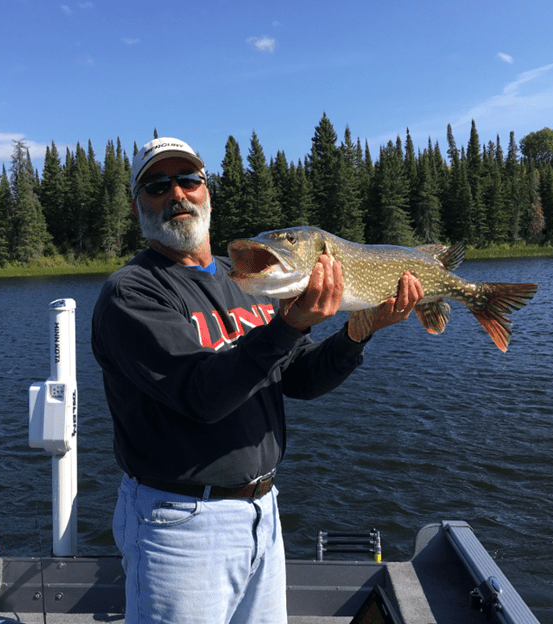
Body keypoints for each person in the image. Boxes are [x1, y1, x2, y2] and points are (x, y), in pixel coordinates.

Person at [91, 137, 424, 624]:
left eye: (189, 180)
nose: (177, 194)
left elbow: (300, 379)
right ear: (139, 202)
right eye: (158, 185)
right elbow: (201, 395)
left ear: (207, 191)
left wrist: (359, 332)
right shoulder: (132, 293)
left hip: (262, 513)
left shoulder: (246, 280)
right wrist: (288, 326)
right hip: (178, 523)